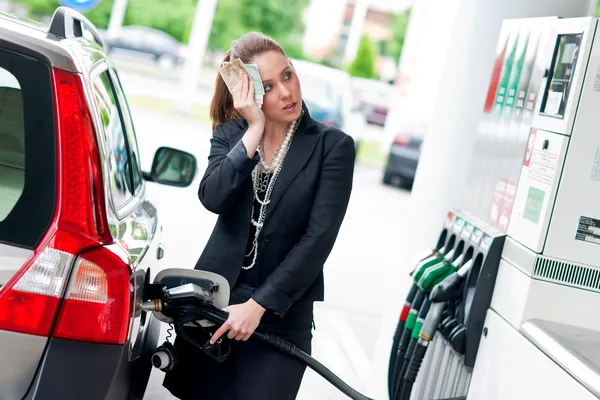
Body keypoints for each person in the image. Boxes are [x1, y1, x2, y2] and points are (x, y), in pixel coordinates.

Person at [163, 32, 356, 400]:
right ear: (247, 93)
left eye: (287, 75)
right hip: (216, 309)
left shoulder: (333, 147)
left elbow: (318, 240)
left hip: (281, 317)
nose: (286, 91)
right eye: (268, 86)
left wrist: (258, 305)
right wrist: (254, 129)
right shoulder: (231, 135)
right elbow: (212, 197)